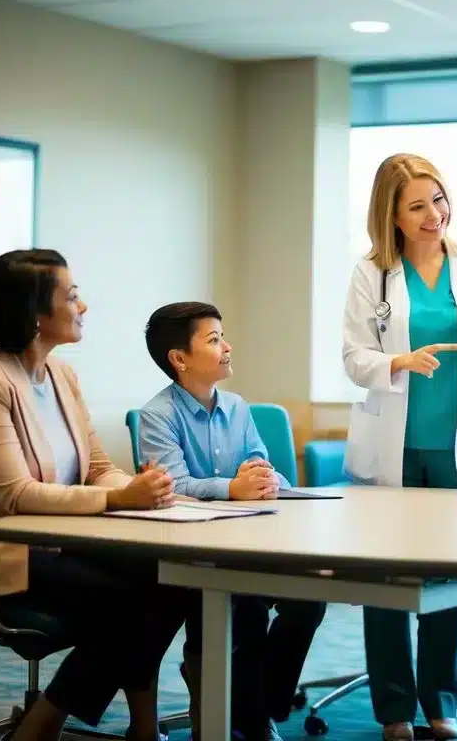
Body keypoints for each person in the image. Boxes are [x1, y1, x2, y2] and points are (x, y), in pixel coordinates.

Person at [0, 249, 188, 741]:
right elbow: (17, 493)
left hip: (57, 542)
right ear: (36, 315)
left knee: (173, 579)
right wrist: (119, 500)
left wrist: (138, 487)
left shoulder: (63, 376)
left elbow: (99, 468)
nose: (82, 307)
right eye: (72, 296)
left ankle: (138, 727)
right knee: (126, 603)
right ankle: (46, 724)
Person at [341, 153, 457, 741]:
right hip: (395, 445)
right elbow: (355, 358)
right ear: (393, 216)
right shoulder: (371, 273)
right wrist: (397, 361)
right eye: (417, 206)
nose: (435, 214)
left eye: (439, 199)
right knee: (385, 582)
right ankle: (394, 709)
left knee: (447, 579)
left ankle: (440, 702)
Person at [137, 301, 327, 741]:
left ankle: (257, 708)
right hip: (197, 550)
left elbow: (263, 466)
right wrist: (231, 488)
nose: (227, 347)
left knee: (309, 599)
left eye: (223, 336)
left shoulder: (239, 407)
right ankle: (251, 718)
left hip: (255, 536)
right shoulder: (158, 416)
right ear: (179, 359)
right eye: (214, 339)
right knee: (247, 607)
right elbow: (173, 486)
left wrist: (262, 478)